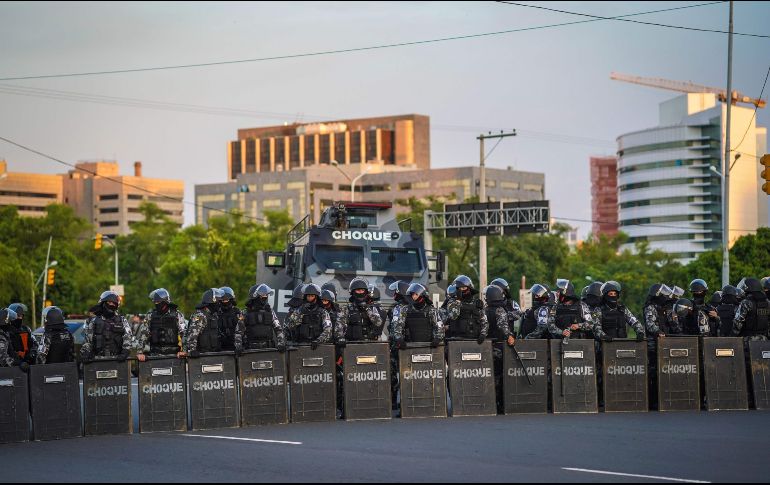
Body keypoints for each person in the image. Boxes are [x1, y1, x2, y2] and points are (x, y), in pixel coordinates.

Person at [527, 279, 594, 340]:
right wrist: (562, 332)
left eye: (559, 292)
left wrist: (578, 325)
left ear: (566, 293)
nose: (557, 293)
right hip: (558, 343)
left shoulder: (581, 305)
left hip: (579, 343)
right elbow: (550, 326)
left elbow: (590, 324)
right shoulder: (555, 306)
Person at [136, 288, 187, 361]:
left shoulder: (177, 315)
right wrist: (140, 352)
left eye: (158, 302)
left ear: (165, 301)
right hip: (155, 355)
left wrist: (184, 351)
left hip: (173, 356)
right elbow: (144, 334)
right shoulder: (150, 316)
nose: (156, 304)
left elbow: (184, 333)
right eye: (155, 302)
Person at [80, 290, 132, 363]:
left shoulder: (122, 320)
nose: (112, 305)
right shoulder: (94, 321)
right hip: (98, 359)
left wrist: (125, 351)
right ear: (103, 303)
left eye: (114, 303)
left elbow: (128, 336)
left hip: (117, 359)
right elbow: (88, 340)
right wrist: (86, 352)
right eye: (109, 302)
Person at [235, 284, 286, 353]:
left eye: (266, 295)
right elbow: (238, 332)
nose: (265, 297)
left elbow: (278, 329)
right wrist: (238, 346)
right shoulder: (245, 312)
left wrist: (281, 343)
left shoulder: (270, 311)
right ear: (255, 296)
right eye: (263, 295)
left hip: (269, 349)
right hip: (251, 350)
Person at [391, 282, 445, 349]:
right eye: (412, 294)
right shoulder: (405, 309)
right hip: (409, 346)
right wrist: (399, 338)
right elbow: (398, 325)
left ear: (422, 295)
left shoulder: (431, 310)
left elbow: (439, 326)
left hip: (428, 346)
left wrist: (437, 338)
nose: (413, 297)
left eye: (416, 294)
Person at [335, 277, 384, 347]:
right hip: (352, 344)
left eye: (362, 290)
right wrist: (340, 338)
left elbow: (378, 323)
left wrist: (366, 308)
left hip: (370, 344)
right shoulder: (346, 308)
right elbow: (339, 325)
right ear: (353, 292)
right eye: (358, 290)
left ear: (366, 292)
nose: (360, 292)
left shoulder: (372, 308)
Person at [286, 283, 332, 348]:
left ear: (316, 297)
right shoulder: (299, 310)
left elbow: (328, 329)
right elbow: (290, 325)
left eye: (312, 296)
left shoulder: (323, 312)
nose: (310, 298)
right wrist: (301, 312)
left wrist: (318, 341)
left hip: (317, 346)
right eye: (308, 296)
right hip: (300, 345)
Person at [445, 275, 488, 343]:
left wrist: (483, 334)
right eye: (459, 288)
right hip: (457, 339)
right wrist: (458, 301)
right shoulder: (452, 302)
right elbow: (453, 316)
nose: (461, 290)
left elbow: (484, 320)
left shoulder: (477, 303)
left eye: (463, 287)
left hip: (475, 340)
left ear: (469, 288)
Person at [186, 288, 225, 358]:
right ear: (212, 301)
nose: (220, 304)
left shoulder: (214, 315)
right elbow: (192, 334)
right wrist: (192, 350)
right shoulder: (200, 315)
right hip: (202, 356)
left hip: (214, 354)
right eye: (218, 301)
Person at [732, 277, 769, 343]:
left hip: (748, 340)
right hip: (765, 340)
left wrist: (734, 336)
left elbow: (738, 322)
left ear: (749, 288)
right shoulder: (767, 302)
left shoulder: (746, 302)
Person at [217, 287, 241, 352]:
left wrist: (240, 346)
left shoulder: (237, 312)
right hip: (219, 348)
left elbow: (243, 329)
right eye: (223, 300)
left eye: (227, 299)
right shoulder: (215, 313)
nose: (225, 301)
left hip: (236, 347)